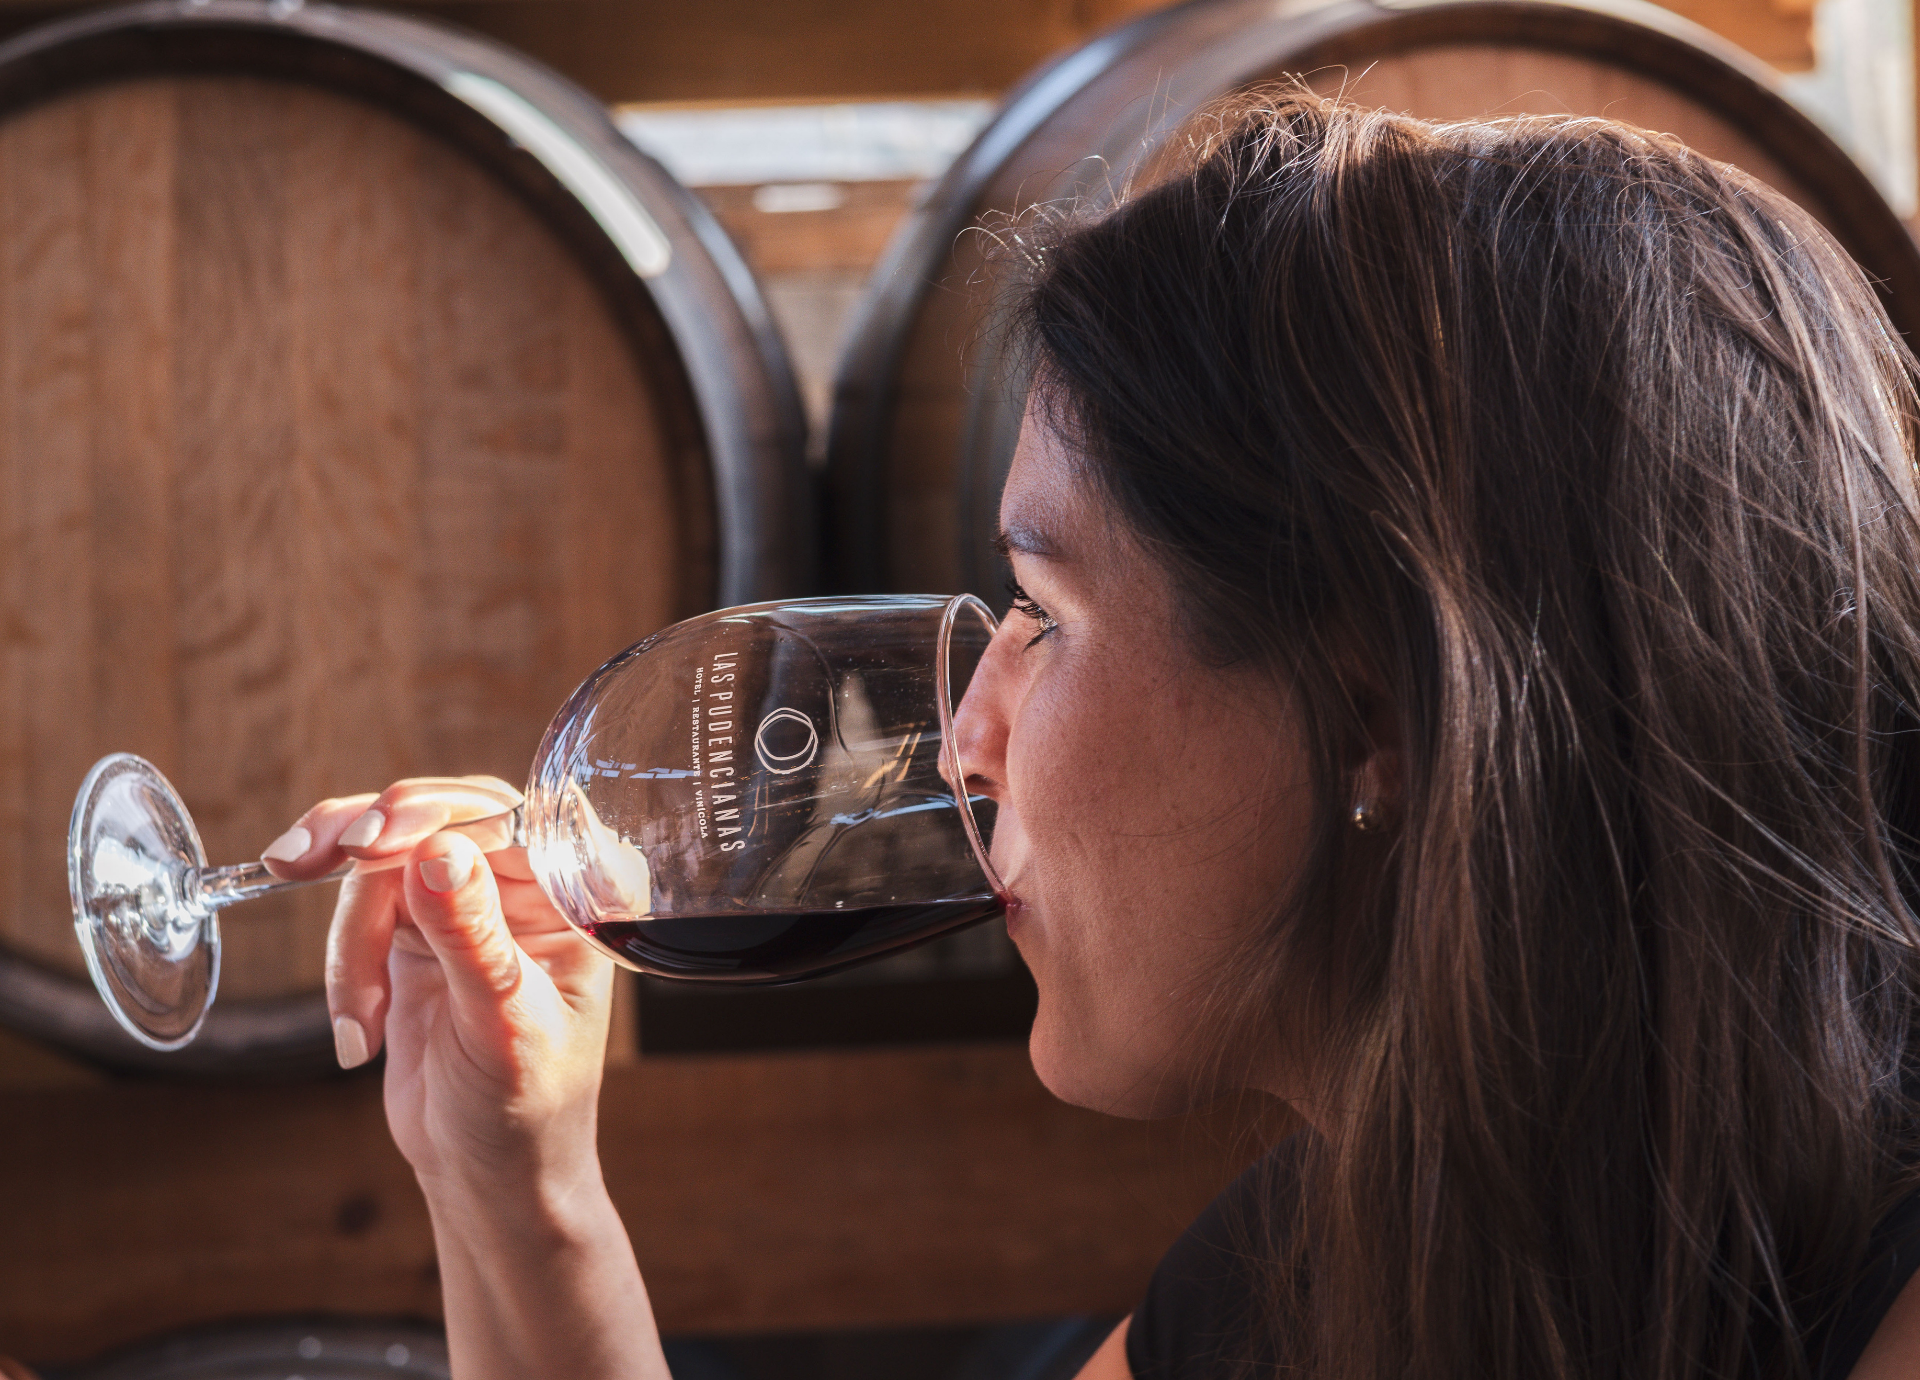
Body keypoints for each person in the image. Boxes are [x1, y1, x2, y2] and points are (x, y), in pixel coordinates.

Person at [260, 89, 1920, 1379]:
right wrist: (514, 1184)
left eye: (1044, 615)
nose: (965, 738)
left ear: (1372, 714)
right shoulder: (1323, 1264)